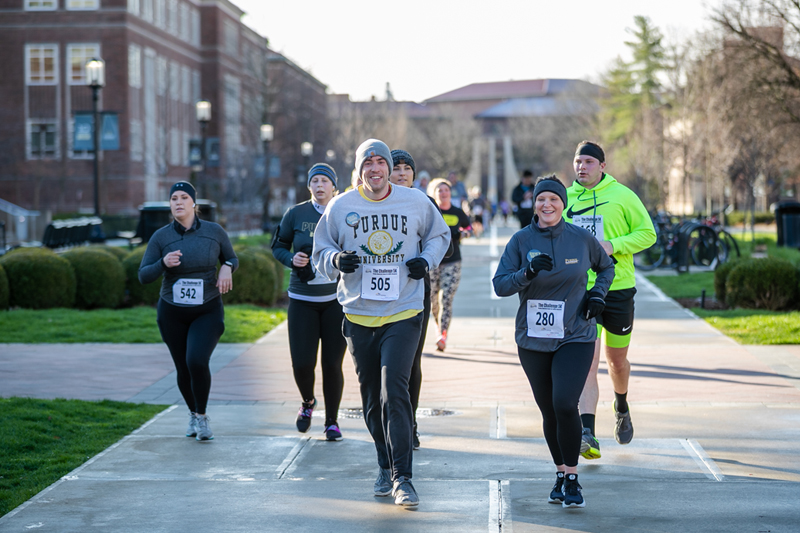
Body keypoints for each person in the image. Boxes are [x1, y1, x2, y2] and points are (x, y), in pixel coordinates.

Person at [313, 139, 450, 508]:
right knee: (373, 401)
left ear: (390, 167)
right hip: (359, 316)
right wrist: (336, 260)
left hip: (404, 312)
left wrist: (427, 259)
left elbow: (440, 235)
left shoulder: (416, 201)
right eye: (367, 163)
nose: (375, 169)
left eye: (381, 162)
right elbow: (320, 252)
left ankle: (403, 478)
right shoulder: (341, 207)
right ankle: (384, 464)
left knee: (395, 391)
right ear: (359, 170)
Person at [493, 175, 614, 508]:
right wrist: (527, 273)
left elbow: (606, 269)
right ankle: (559, 472)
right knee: (549, 409)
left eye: (554, 200)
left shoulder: (580, 238)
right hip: (533, 338)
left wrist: (597, 296)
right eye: (541, 200)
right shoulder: (520, 240)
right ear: (534, 203)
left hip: (575, 333)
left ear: (563, 204)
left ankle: (573, 478)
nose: (547, 205)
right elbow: (500, 285)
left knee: (564, 403)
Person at [565, 140, 657, 460]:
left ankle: (621, 405)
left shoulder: (623, 196)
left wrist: (613, 245)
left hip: (618, 288)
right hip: (581, 290)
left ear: (602, 166)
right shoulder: (566, 198)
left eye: (589, 162)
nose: (582, 167)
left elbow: (648, 233)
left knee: (616, 363)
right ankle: (587, 433)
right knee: (587, 364)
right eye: (578, 161)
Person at [138, 181, 238, 442]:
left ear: (194, 203)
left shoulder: (214, 232)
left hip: (207, 309)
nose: (178, 202)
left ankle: (202, 418)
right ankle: (193, 413)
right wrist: (163, 262)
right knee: (182, 366)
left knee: (196, 360)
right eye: (174, 199)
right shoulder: (161, 237)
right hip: (172, 311)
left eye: (184, 197)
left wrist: (227, 266)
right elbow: (143, 275)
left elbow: (232, 257)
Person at [271, 163, 347, 441]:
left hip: (335, 301)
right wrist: (291, 259)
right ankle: (307, 403)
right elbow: (278, 246)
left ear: (333, 187)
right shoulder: (295, 214)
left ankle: (332, 421)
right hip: (302, 299)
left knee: (331, 364)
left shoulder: (342, 212)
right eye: (314, 181)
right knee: (302, 364)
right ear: (309, 187)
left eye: (324, 181)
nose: (319, 185)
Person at [389, 149, 453, 450]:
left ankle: (409, 422)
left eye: (407, 169)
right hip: (376, 296)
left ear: (415, 175)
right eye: (396, 168)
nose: (401, 173)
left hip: (416, 292)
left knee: (410, 361)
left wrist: (425, 259)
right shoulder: (368, 203)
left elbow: (443, 244)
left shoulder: (424, 203)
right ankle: (385, 422)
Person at [427, 178, 471, 352]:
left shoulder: (458, 212)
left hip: (453, 261)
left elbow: (469, 229)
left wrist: (460, 234)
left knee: (446, 299)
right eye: (439, 190)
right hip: (432, 262)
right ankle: (438, 325)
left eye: (446, 190)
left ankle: (442, 334)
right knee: (433, 300)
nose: (443, 193)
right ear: (434, 193)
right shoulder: (430, 211)